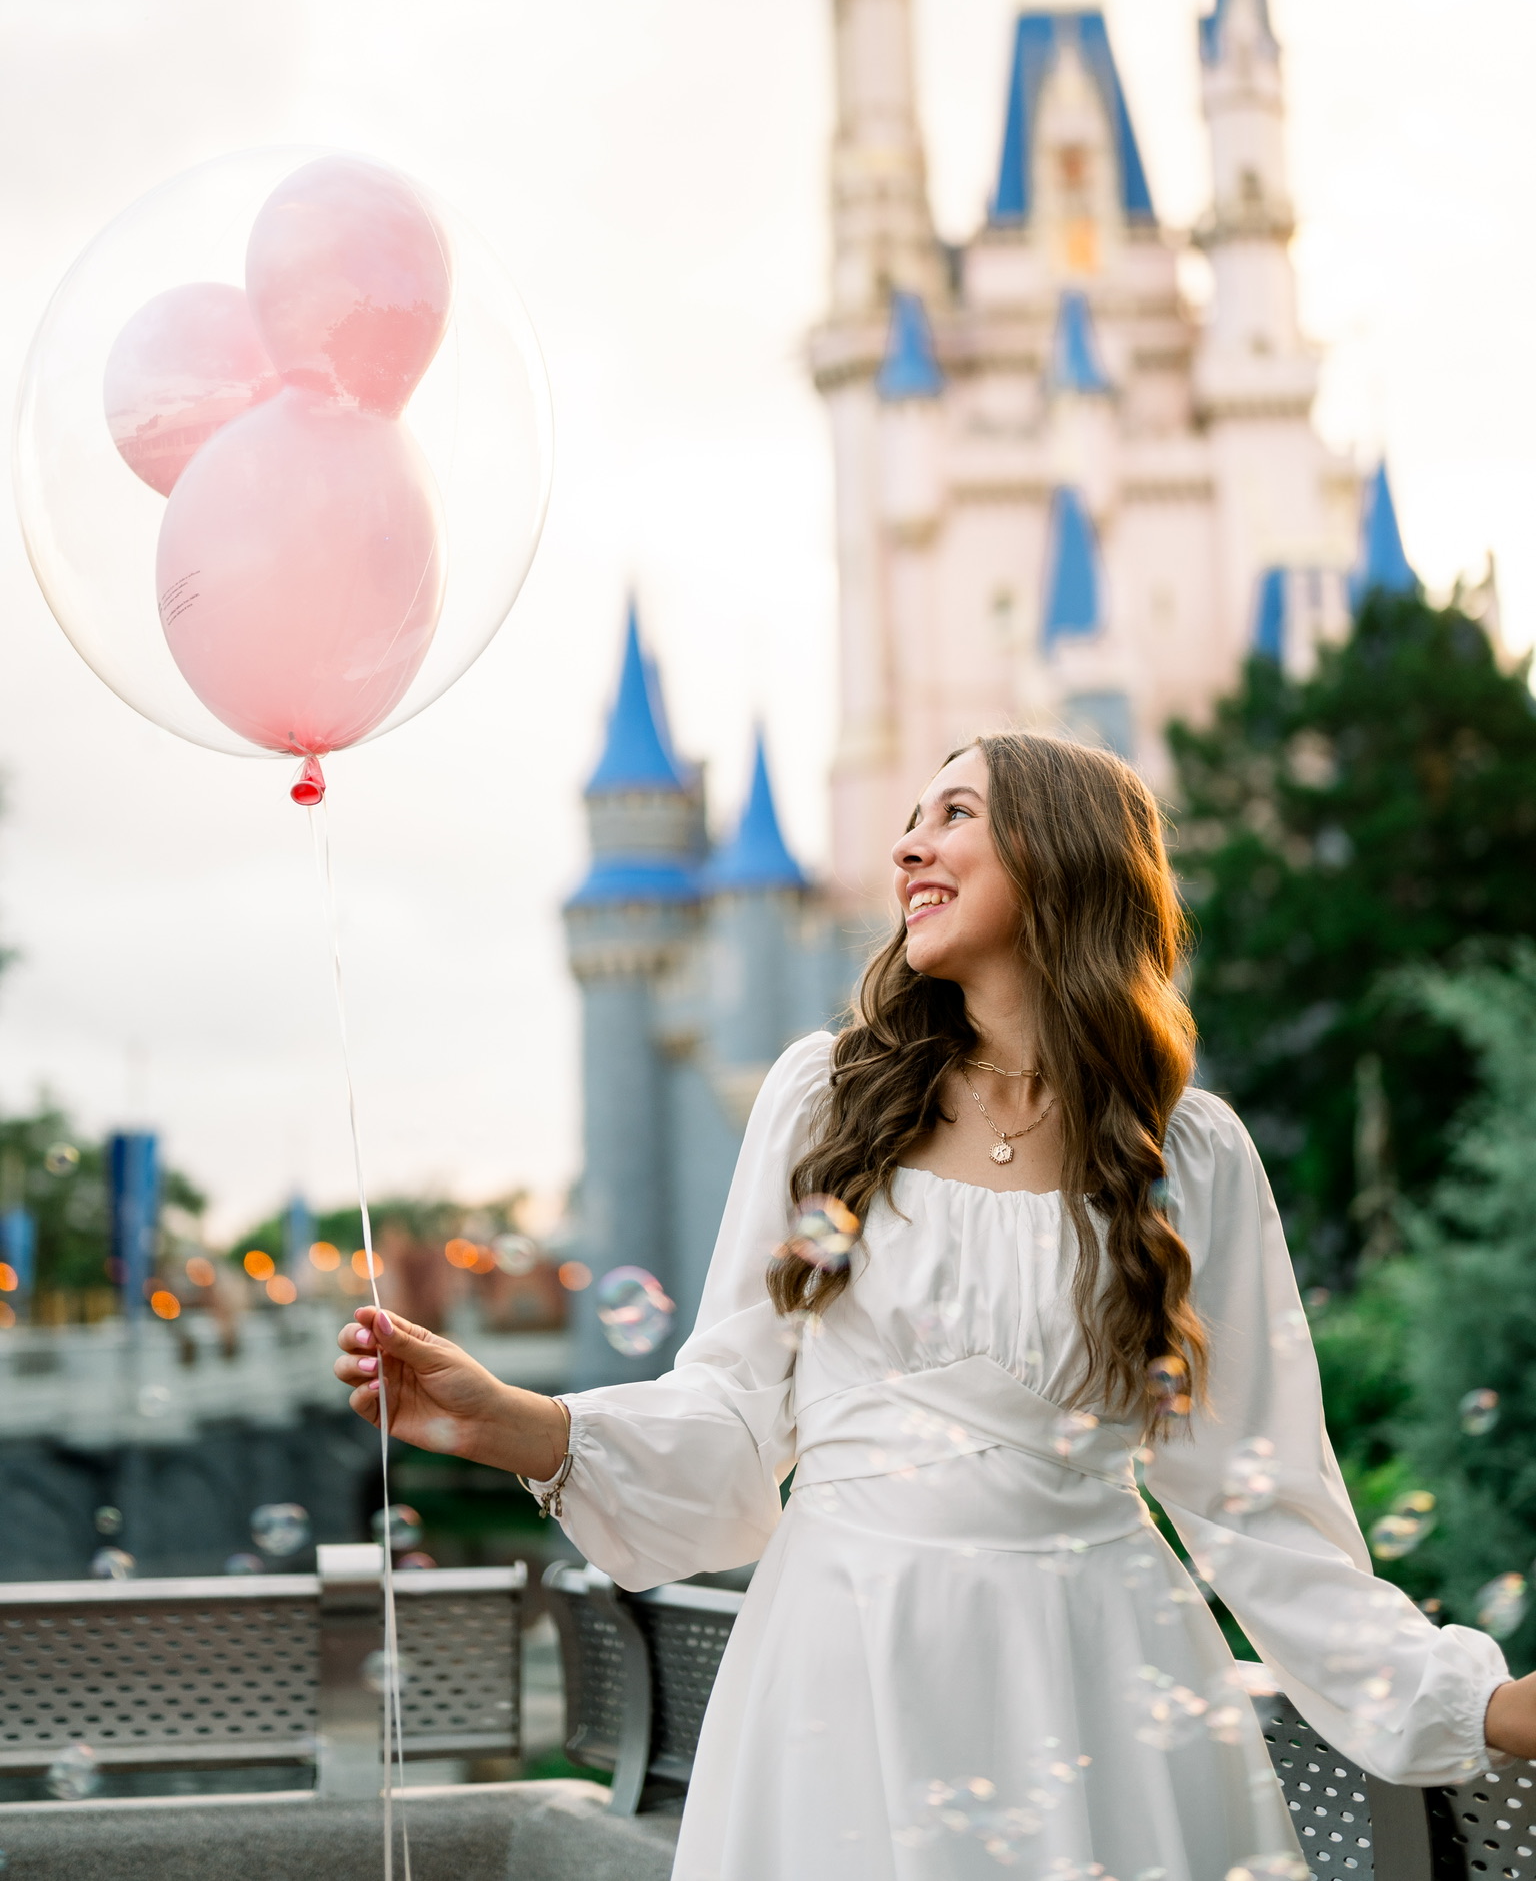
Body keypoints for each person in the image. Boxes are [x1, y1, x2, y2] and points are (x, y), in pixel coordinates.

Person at [336, 731, 1536, 1880]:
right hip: (845, 1670)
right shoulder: (823, 1099)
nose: (910, 847)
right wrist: (518, 1423)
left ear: (1068, 859)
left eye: (957, 814)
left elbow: (1257, 1500)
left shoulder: (1193, 1152)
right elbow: (736, 1416)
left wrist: (1475, 1702)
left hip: (1101, 1684)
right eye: (909, 820)